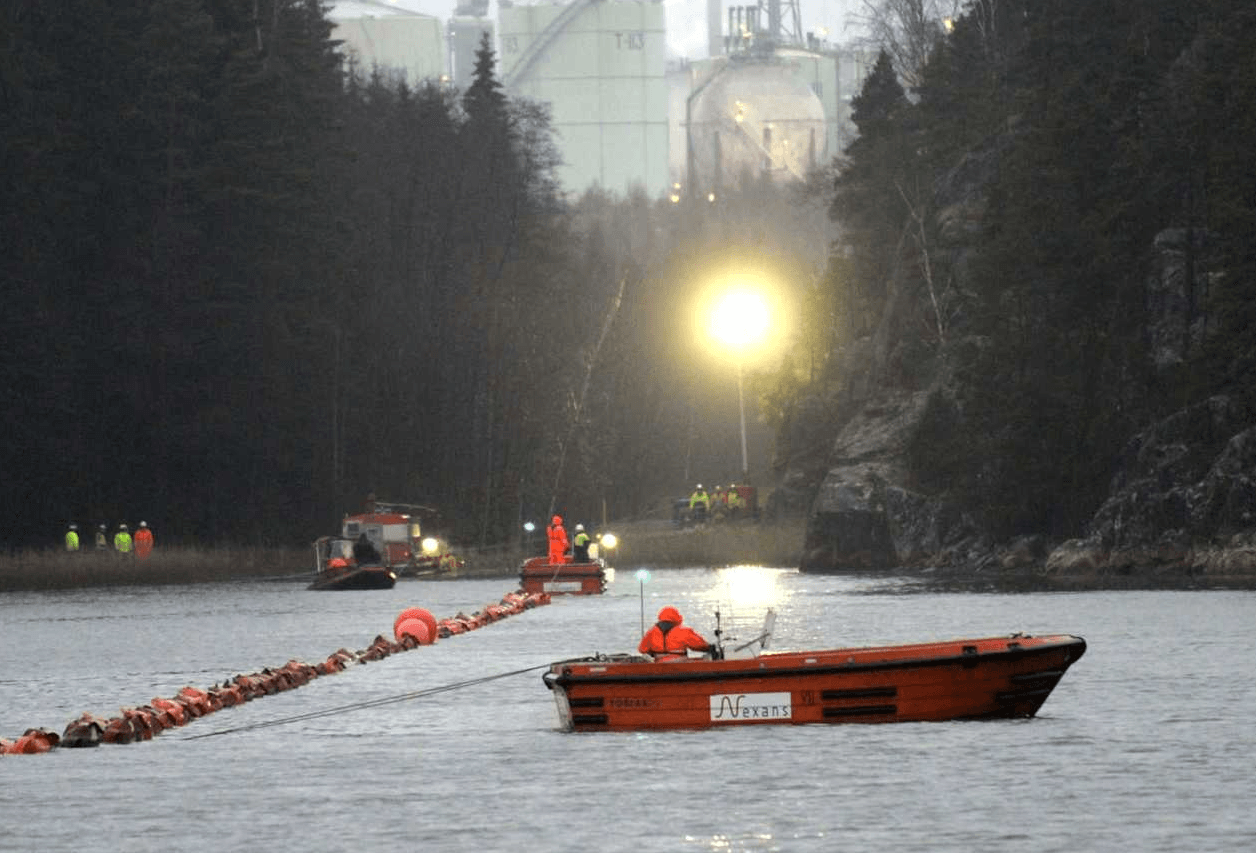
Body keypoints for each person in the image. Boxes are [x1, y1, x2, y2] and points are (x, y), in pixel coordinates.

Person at [638, 606, 713, 661]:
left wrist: (655, 651)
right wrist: (709, 647)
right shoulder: (684, 630)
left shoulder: (652, 631)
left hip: (659, 664)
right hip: (679, 663)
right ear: (677, 617)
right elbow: (698, 645)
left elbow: (642, 649)